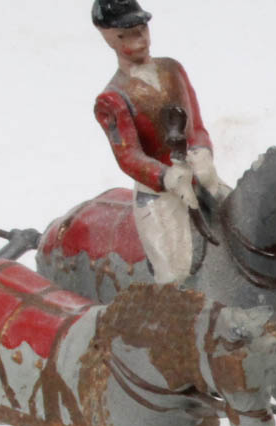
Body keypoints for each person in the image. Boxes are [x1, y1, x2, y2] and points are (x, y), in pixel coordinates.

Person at [91, 0, 229, 285]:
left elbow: (197, 126)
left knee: (245, 217)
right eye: (126, 35)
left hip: (196, 176)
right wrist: (165, 177)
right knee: (174, 272)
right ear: (108, 38)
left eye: (142, 30)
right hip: (160, 193)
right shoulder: (111, 99)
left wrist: (202, 152)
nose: (139, 40)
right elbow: (128, 156)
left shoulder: (173, 69)